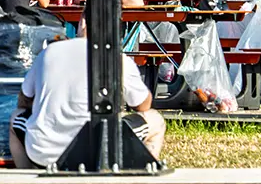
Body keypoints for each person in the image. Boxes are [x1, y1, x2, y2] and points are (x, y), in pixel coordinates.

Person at [9, 35, 165, 168]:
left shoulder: (48, 52)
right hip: (104, 151)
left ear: (82, 23)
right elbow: (143, 105)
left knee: (16, 118)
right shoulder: (117, 57)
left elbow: (23, 101)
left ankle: (27, 177)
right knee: (155, 119)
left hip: (45, 153)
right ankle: (143, 176)